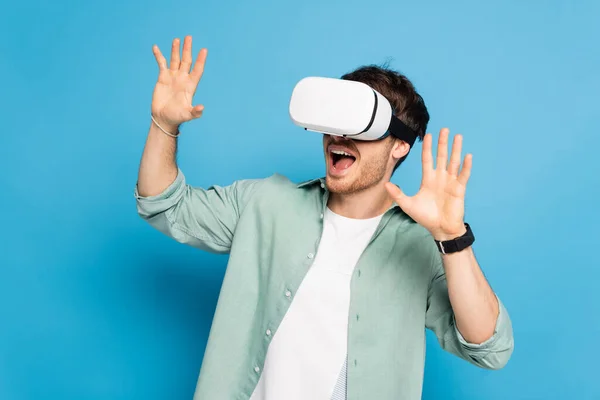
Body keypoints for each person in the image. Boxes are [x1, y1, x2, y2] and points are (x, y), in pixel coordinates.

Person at [134, 35, 514, 400]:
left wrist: (452, 237)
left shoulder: (421, 246)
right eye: (335, 122)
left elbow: (490, 347)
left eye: (360, 128)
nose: (339, 137)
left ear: (400, 145)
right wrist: (164, 125)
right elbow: (165, 205)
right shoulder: (266, 203)